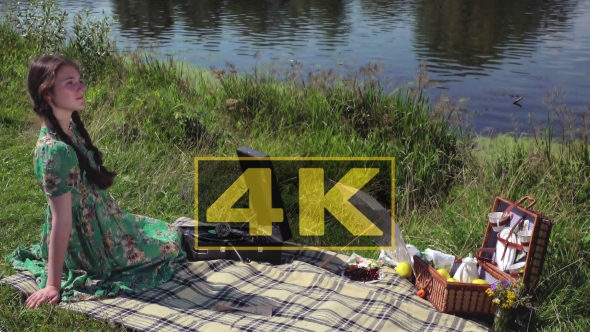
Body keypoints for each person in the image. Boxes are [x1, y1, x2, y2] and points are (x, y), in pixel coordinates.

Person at [7, 55, 187, 309]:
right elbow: (61, 219)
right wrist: (52, 285)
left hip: (101, 219)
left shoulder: (69, 128)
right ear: (47, 94)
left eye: (80, 81)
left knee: (167, 232)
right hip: (87, 241)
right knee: (168, 246)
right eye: (70, 83)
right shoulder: (55, 151)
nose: (81, 88)